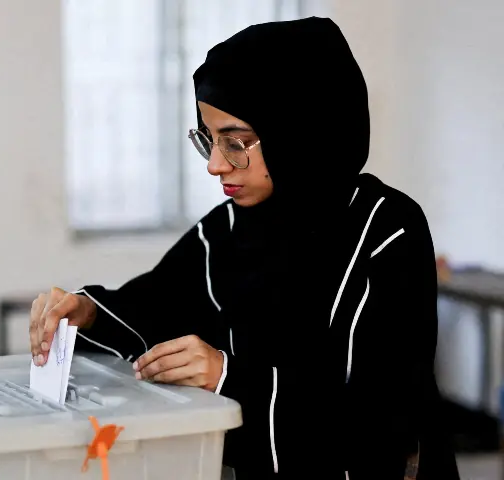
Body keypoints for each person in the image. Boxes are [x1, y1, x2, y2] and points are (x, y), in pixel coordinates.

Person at [29, 16, 459, 479]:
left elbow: (378, 417)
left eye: (235, 143)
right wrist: (87, 311)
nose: (216, 165)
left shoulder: (384, 231)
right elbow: (156, 305)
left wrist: (229, 378)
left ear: (300, 127)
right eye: (208, 140)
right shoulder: (231, 229)